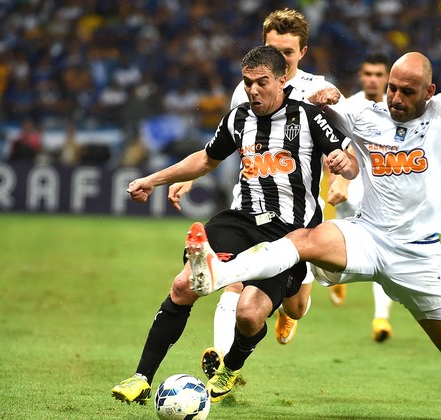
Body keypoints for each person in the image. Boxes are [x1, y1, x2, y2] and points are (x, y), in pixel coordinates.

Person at [184, 2, 441, 419]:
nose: (396, 98)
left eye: (407, 91)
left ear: (429, 93)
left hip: (418, 255)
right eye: (392, 89)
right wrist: (328, 99)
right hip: (366, 235)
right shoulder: (365, 114)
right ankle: (219, 274)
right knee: (303, 239)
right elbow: (323, 120)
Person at [111, 45, 358, 405]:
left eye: (262, 83)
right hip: (242, 219)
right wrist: (154, 179)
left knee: (249, 313)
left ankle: (232, 365)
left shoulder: (306, 117)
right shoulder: (237, 118)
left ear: (282, 79)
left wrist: (342, 164)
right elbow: (205, 159)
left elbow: (349, 161)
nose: (253, 90)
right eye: (247, 83)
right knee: (183, 286)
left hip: (289, 235)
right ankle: (141, 377)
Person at [167, 8, 346, 380]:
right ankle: (220, 360)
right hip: (248, 203)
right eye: (271, 49)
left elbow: (344, 145)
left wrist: (341, 180)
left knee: (295, 307)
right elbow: (230, 139)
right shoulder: (246, 86)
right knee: (235, 278)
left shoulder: (320, 92)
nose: (278, 58)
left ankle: (285, 308)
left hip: (297, 214)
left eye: (287, 53)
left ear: (303, 53)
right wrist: (192, 178)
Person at [326, 52, 397, 342]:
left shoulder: (399, 109)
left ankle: (381, 318)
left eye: (379, 75)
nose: (373, 79)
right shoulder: (348, 107)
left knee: (384, 256)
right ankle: (335, 274)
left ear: (387, 78)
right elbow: (330, 147)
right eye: (368, 74)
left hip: (384, 190)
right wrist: (335, 179)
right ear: (361, 76)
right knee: (344, 245)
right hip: (351, 186)